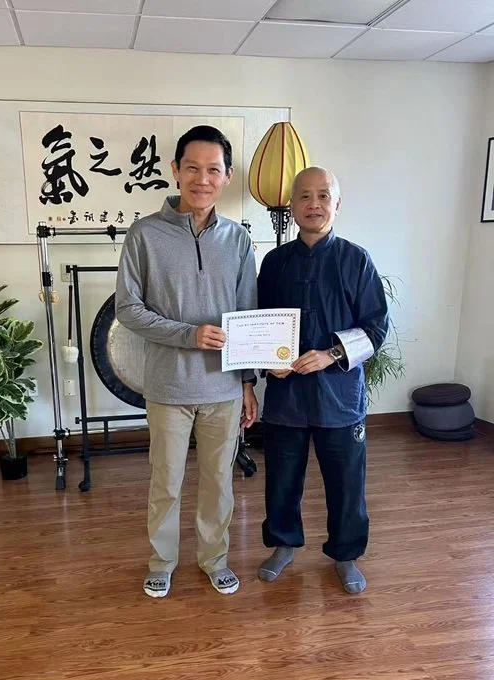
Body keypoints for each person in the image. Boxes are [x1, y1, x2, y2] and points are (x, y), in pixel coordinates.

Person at [115, 125, 258, 599]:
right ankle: (162, 561)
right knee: (166, 483)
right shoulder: (144, 235)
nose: (203, 179)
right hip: (168, 388)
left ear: (227, 176)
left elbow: (247, 316)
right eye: (192, 168)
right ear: (175, 171)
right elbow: (128, 309)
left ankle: (215, 558)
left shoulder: (238, 239)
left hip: (223, 389)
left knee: (219, 483)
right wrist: (188, 335)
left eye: (213, 170)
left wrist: (247, 383)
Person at [256, 166, 388, 594]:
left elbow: (376, 328)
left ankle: (346, 555)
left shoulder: (356, 260)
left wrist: (331, 354)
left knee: (347, 482)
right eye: (305, 196)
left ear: (337, 204)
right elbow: (258, 322)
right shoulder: (274, 263)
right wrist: (266, 361)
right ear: (292, 205)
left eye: (323, 196)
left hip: (340, 397)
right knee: (281, 477)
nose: (314, 204)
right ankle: (283, 545)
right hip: (286, 395)